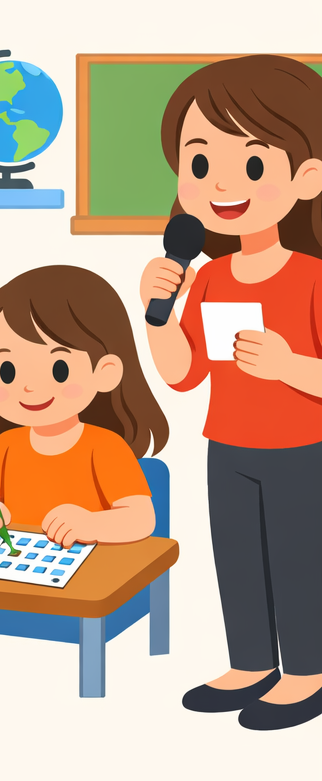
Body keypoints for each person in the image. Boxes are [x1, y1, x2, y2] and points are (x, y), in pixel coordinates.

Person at [140, 54, 322, 731]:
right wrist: (156, 314)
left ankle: (306, 671)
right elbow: (183, 372)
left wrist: (289, 365)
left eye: (249, 165)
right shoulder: (210, 275)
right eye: (199, 162)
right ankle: (250, 662)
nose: (221, 183)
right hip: (229, 444)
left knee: (297, 559)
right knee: (238, 557)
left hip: (302, 449)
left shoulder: (310, 277)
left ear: (306, 179)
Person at [0, 265, 166, 549]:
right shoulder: (6, 446)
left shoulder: (106, 447)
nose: (28, 387)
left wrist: (91, 524)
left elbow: (142, 519)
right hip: (15, 569)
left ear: (105, 372)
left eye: (59, 369)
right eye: (8, 371)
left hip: (86, 577)